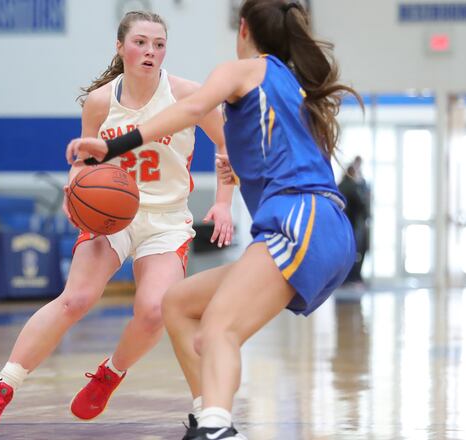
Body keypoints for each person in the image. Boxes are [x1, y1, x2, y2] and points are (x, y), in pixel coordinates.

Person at [65, 1, 360, 438]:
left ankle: (218, 428)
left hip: (301, 218)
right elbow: (275, 157)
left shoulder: (244, 70)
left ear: (243, 28)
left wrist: (114, 147)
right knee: (179, 305)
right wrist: (234, 177)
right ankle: (207, 413)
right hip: (319, 225)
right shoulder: (288, 83)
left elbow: (189, 109)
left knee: (218, 329)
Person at [0, 10, 235, 433]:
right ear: (120, 46)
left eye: (159, 44)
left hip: (165, 219)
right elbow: (85, 163)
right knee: (76, 299)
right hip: (112, 216)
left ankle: (111, 373)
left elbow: (227, 147)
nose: (151, 51)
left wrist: (223, 202)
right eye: (141, 42)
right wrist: (76, 186)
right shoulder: (100, 101)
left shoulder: (188, 94)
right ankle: (2, 387)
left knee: (153, 311)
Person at [337, 156, 371, 286]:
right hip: (354, 225)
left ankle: (344, 279)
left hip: (341, 225)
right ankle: (353, 278)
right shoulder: (353, 187)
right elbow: (362, 207)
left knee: (346, 254)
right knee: (357, 253)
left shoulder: (339, 186)